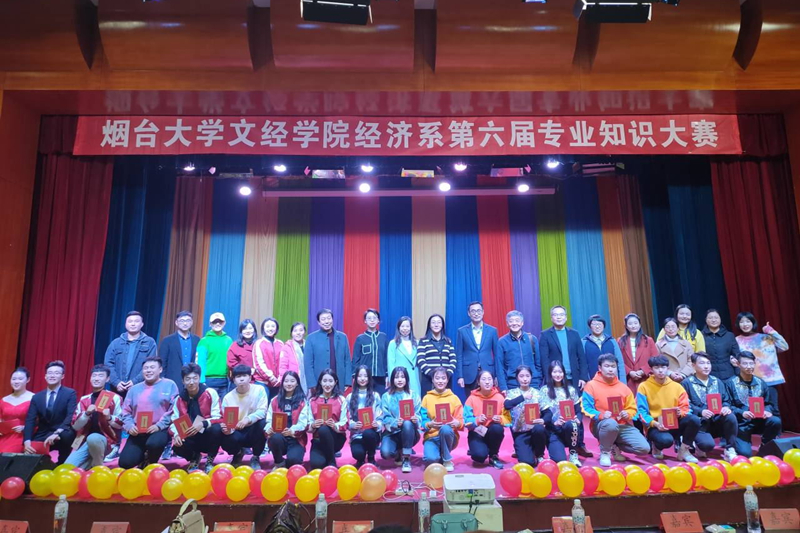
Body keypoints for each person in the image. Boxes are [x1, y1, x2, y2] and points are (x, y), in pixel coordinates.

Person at [581, 354, 650, 467]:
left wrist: (627, 414)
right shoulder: (591, 386)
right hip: (601, 424)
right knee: (610, 424)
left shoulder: (623, 387)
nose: (610, 369)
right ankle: (605, 452)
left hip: (622, 424)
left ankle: (614, 445)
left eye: (613, 366)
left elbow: (632, 408)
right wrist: (601, 415)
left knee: (644, 448)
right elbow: (586, 408)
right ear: (600, 368)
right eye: (607, 366)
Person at [636, 355, 700, 463]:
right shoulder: (644, 386)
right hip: (655, 426)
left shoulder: (677, 386)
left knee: (694, 420)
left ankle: (684, 450)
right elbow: (641, 412)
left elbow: (686, 408)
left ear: (668, 368)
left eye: (663, 367)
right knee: (666, 441)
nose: (660, 370)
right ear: (651, 370)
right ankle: (656, 446)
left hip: (675, 423)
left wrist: (680, 412)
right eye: (656, 367)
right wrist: (655, 424)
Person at [119, 356, 179, 469]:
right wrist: (130, 426)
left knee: (154, 443)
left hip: (159, 430)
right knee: (125, 463)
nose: (148, 370)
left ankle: (150, 460)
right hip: (137, 431)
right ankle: (142, 456)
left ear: (160, 369)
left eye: (152, 367)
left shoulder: (170, 385)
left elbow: (173, 409)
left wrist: (159, 426)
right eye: (146, 368)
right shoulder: (134, 389)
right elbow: (125, 411)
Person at [682, 352, 738, 461]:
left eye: (708, 363)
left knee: (730, 417)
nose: (706, 366)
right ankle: (698, 445)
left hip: (716, 419)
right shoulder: (686, 383)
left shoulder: (717, 381)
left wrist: (725, 407)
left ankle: (730, 448)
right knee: (707, 446)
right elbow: (685, 404)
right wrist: (700, 411)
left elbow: (726, 399)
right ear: (693, 365)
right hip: (700, 423)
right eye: (702, 363)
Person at [65, 365, 123, 469]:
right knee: (67, 468)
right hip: (85, 442)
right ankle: (92, 464)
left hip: (108, 441)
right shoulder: (84, 399)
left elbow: (121, 424)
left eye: (101, 376)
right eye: (94, 376)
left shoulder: (115, 398)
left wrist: (109, 417)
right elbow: (75, 426)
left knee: (93, 438)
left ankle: (98, 467)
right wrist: (86, 414)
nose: (96, 378)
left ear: (107, 379)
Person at [170, 363, 223, 474]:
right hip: (189, 435)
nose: (191, 382)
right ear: (183, 381)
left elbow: (219, 417)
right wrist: (176, 434)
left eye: (195, 378)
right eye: (188, 379)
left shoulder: (210, 393)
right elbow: (173, 421)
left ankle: (209, 461)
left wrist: (203, 424)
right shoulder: (179, 399)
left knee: (217, 429)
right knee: (177, 447)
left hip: (207, 434)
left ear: (199, 378)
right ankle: (194, 457)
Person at [727, 351, 782, 457]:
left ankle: (765, 445)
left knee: (775, 421)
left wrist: (767, 411)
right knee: (745, 454)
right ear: (738, 364)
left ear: (754, 363)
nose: (749, 367)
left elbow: (769, 403)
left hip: (759, 420)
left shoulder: (761, 383)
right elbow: (727, 405)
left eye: (751, 363)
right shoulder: (730, 383)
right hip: (741, 424)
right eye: (745, 363)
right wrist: (742, 413)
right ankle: (732, 446)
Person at [23, 361, 77, 464]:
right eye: (50, 373)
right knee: (30, 454)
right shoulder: (37, 397)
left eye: (57, 373)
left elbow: (70, 415)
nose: (52, 375)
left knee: (67, 435)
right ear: (45, 376)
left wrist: (57, 432)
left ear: (62, 376)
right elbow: (30, 420)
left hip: (62, 432)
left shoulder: (70, 393)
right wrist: (27, 441)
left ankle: (61, 464)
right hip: (44, 432)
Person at [221, 364, 268, 470]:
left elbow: (262, 411)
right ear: (234, 380)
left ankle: (256, 456)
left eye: (244, 376)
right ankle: (238, 453)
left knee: (263, 423)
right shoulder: (228, 398)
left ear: (250, 378)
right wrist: (227, 429)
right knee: (223, 435)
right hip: (236, 430)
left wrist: (248, 419)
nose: (241, 379)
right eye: (238, 376)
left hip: (253, 427)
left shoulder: (259, 390)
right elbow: (226, 419)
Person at [540, 361, 585, 465]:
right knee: (560, 461)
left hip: (568, 428)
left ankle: (573, 454)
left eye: (560, 372)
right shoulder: (544, 390)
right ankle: (554, 450)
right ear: (550, 373)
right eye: (554, 372)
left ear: (564, 373)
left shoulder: (571, 390)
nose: (558, 375)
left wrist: (578, 419)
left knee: (572, 424)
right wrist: (554, 423)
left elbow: (578, 411)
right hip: (552, 430)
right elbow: (543, 415)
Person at [103, 311, 158, 395]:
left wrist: (135, 382)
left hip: (141, 389)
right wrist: (116, 382)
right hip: (117, 388)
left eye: (136, 321)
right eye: (130, 321)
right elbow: (108, 364)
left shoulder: (149, 342)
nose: (133, 324)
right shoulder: (116, 343)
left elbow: (151, 365)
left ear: (142, 324)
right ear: (125, 324)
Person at [504, 366, 548, 467]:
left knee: (539, 429)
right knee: (528, 463)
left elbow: (547, 412)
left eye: (527, 376)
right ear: (517, 378)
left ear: (531, 377)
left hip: (535, 430)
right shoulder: (512, 393)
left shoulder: (537, 393)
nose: (525, 379)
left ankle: (539, 454)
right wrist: (523, 397)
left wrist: (543, 420)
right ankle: (525, 451)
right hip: (520, 433)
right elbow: (507, 405)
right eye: (521, 376)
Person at [464, 369, 509, 469]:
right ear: (478, 382)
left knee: (497, 428)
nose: (487, 382)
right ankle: (478, 449)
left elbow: (508, 419)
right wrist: (477, 420)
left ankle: (493, 455)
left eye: (489, 379)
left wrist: (500, 419)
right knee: (479, 457)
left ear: (493, 381)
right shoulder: (471, 398)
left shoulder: (500, 397)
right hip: (477, 432)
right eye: (484, 379)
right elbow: (465, 420)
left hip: (493, 431)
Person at [421, 367, 463, 471]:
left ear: (447, 380)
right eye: (437, 378)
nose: (440, 381)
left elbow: (461, 420)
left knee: (445, 428)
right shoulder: (426, 398)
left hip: (449, 436)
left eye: (443, 378)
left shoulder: (454, 398)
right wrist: (430, 424)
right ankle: (440, 454)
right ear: (432, 380)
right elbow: (422, 421)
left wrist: (457, 423)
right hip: (432, 436)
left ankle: (447, 459)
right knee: (431, 460)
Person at [266, 371, 311, 469]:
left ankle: (291, 459)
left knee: (293, 462)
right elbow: (269, 420)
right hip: (279, 437)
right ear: (282, 383)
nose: (289, 384)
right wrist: (269, 429)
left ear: (297, 383)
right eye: (286, 381)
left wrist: (292, 431)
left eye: (292, 381)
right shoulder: (275, 400)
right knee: (275, 438)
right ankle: (279, 462)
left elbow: (303, 423)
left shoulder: (302, 401)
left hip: (296, 438)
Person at [381, 367, 422, 473]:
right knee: (386, 453)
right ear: (392, 379)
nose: (399, 380)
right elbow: (385, 417)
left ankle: (406, 457)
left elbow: (419, 414)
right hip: (392, 433)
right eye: (396, 377)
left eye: (402, 377)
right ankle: (398, 452)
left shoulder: (413, 395)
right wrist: (395, 422)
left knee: (407, 423)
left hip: (409, 432)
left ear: (406, 379)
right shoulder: (386, 396)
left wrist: (415, 419)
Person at [539, 306, 589, 392]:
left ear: (566, 317)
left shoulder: (574, 334)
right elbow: (544, 360)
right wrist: (548, 379)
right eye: (555, 315)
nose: (559, 317)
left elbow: (581, 357)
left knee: (574, 400)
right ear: (551, 318)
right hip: (555, 378)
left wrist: (583, 377)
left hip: (574, 378)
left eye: (561, 315)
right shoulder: (545, 335)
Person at [735, 312, 790, 386]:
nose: (745, 324)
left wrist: (771, 331)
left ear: (753, 322)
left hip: (770, 379)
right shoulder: (736, 340)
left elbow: (784, 347)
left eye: (748, 321)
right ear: (738, 324)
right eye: (741, 322)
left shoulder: (765, 338)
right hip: (750, 381)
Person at [308, 369, 348, 469]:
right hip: (318, 440)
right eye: (324, 381)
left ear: (335, 382)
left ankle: (332, 462)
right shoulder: (312, 400)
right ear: (320, 382)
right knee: (317, 465)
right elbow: (307, 422)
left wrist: (335, 425)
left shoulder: (341, 399)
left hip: (336, 438)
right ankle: (326, 456)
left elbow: (345, 422)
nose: (327, 384)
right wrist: (313, 425)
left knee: (324, 429)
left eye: (330, 381)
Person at [305, 309, 351, 394]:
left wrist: (347, 381)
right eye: (323, 319)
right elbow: (308, 364)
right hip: (319, 383)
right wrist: (312, 383)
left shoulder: (342, 337)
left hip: (338, 381)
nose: (326, 321)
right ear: (318, 322)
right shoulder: (311, 338)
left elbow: (347, 360)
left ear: (332, 319)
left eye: (329, 318)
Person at [455, 302, 499, 392]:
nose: (476, 313)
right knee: (471, 399)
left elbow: (497, 355)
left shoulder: (492, 331)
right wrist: (460, 376)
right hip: (469, 373)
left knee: (488, 399)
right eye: (473, 311)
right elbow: (459, 355)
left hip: (488, 372)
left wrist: (497, 375)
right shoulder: (462, 331)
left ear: (483, 312)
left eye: (478, 311)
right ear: (469, 313)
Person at [346, 365, 383, 467]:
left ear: (369, 378)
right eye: (360, 376)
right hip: (357, 434)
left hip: (372, 433)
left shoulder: (375, 396)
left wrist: (377, 424)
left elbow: (380, 417)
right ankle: (361, 459)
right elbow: (347, 418)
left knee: (368, 433)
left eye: (365, 376)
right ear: (355, 378)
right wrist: (353, 425)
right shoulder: (349, 397)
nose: (362, 379)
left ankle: (371, 457)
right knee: (358, 453)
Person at [497, 311, 542, 392]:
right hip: (512, 384)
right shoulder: (502, 342)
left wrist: (538, 380)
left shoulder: (532, 339)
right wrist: (503, 387)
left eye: (517, 320)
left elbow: (538, 363)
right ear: (507, 324)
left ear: (522, 323)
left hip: (532, 383)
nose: (514, 323)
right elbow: (499, 366)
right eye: (511, 321)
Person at [159, 311, 201, 393]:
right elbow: (162, 362)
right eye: (182, 321)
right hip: (172, 380)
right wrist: (162, 380)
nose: (185, 323)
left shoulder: (197, 340)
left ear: (192, 322)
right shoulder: (167, 340)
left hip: (191, 381)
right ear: (176, 323)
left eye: (188, 320)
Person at [352, 309, 390, 395]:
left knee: (380, 399)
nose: (372, 320)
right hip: (364, 378)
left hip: (381, 377)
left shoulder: (383, 337)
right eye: (369, 318)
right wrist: (354, 375)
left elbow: (386, 357)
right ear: (365, 321)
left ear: (378, 320)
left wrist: (387, 375)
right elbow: (355, 359)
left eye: (374, 318)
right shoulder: (360, 338)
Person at [416, 314, 456, 396]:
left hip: (445, 380)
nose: (436, 325)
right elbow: (420, 360)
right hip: (428, 379)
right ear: (429, 325)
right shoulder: (423, 341)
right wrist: (433, 375)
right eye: (433, 322)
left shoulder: (448, 341)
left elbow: (453, 360)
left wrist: (447, 374)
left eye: (439, 322)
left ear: (442, 325)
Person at [196, 312, 234, 399]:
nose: (217, 324)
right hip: (208, 381)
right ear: (210, 324)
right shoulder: (204, 341)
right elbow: (200, 362)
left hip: (224, 381)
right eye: (214, 322)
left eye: (220, 322)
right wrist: (201, 381)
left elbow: (231, 361)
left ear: (224, 323)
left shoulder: (228, 340)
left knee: (223, 406)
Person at [618, 313, 658, 393]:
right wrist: (630, 372)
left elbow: (655, 358)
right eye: (630, 324)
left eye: (636, 323)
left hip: (646, 378)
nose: (633, 326)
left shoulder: (648, 340)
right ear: (626, 326)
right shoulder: (621, 341)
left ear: (640, 325)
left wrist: (643, 371)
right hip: (629, 380)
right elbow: (618, 360)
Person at [582, 315, 625, 381]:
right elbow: (583, 364)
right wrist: (586, 381)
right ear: (590, 326)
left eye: (599, 324)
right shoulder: (584, 342)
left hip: (613, 381)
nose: (597, 326)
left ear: (604, 326)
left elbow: (620, 363)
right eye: (594, 324)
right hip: (593, 382)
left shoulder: (612, 341)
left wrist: (623, 381)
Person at [0, 367, 33, 453]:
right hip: (4, 435)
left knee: (6, 452)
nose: (16, 381)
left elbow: (40, 422)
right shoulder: (4, 400)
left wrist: (25, 428)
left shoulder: (34, 398)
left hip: (23, 436)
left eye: (20, 379)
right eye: (14, 379)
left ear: (28, 380)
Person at [702, 309, 740, 381]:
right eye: (710, 318)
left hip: (729, 375)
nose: (713, 320)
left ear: (720, 319)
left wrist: (738, 373)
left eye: (716, 317)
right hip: (708, 374)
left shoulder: (729, 335)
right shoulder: (700, 335)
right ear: (706, 320)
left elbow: (736, 354)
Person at [387, 317, 420, 397]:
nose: (405, 328)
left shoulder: (417, 343)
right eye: (402, 326)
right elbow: (391, 364)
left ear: (411, 328)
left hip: (414, 378)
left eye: (407, 326)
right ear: (398, 328)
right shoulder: (393, 343)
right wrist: (392, 380)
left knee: (415, 400)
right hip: (400, 378)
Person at [253, 317, 285, 399]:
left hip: (278, 382)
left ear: (276, 328)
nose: (270, 329)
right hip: (263, 382)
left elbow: (283, 362)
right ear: (263, 328)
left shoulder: (280, 343)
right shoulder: (259, 343)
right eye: (267, 326)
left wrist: (280, 377)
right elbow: (258, 363)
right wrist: (270, 377)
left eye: (273, 326)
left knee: (276, 406)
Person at [656, 317, 695, 382]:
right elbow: (657, 363)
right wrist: (670, 373)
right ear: (664, 329)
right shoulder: (658, 344)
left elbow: (691, 361)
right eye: (667, 327)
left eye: (673, 327)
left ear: (678, 328)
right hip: (666, 379)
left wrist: (683, 374)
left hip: (685, 378)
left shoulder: (686, 343)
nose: (671, 329)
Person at [227, 319, 257, 384]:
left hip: (257, 381)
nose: (248, 331)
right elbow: (232, 364)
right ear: (241, 331)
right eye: (245, 329)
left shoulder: (259, 344)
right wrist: (247, 370)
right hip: (240, 381)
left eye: (250, 328)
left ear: (254, 330)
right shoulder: (235, 346)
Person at [280, 322, 308, 394]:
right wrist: (284, 382)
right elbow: (283, 367)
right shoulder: (287, 347)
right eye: (295, 331)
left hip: (308, 382)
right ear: (291, 333)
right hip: (292, 383)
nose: (298, 333)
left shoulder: (308, 346)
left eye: (301, 330)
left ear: (304, 332)